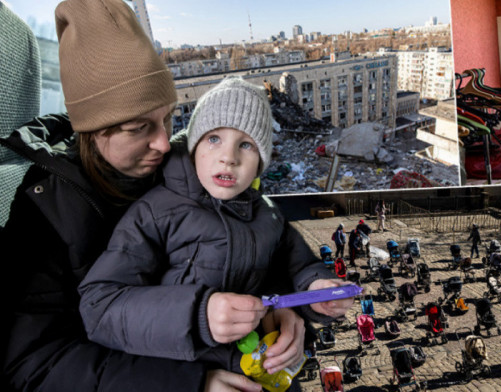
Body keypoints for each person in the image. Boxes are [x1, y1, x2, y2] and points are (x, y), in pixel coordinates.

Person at [0, 1, 305, 391]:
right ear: (92, 131)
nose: (164, 142)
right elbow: (33, 362)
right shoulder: (45, 212)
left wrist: (279, 307)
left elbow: (246, 243)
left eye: (168, 118)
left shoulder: (194, 168)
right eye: (138, 127)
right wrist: (189, 383)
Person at [77, 77, 352, 384]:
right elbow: (99, 308)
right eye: (213, 139)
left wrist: (314, 295)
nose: (229, 157)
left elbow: (299, 267)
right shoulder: (155, 212)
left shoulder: (269, 215)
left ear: (261, 161)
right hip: (187, 376)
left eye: (246, 145)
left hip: (261, 374)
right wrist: (196, 316)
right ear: (193, 145)